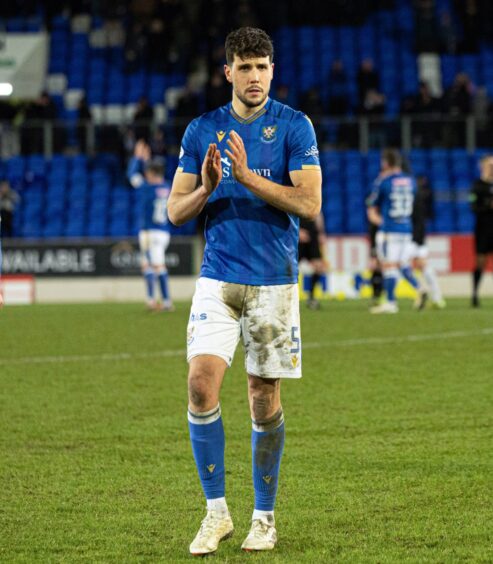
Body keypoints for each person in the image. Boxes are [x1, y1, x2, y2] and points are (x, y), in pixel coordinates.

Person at [167, 27, 321, 555]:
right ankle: (215, 513)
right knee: (199, 387)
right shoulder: (202, 129)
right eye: (244, 67)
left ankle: (264, 517)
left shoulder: (294, 127)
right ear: (227, 71)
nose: (254, 76)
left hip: (273, 283)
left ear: (272, 71)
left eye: (262, 66)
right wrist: (209, 187)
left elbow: (309, 204)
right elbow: (175, 210)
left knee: (262, 399)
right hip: (218, 279)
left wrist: (248, 179)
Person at [366, 148, 427, 314]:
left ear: (385, 162)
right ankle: (419, 288)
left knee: (388, 265)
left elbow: (371, 207)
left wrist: (380, 221)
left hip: (389, 230)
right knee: (402, 264)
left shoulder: (384, 182)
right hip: (406, 229)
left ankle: (391, 302)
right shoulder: (411, 181)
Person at [127, 140, 173, 311]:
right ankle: (152, 300)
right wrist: (147, 161)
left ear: (151, 174)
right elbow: (153, 175)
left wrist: (137, 158)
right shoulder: (167, 186)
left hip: (149, 232)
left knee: (156, 265)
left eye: (147, 172)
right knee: (148, 263)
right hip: (164, 231)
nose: (145, 174)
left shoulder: (147, 188)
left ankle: (164, 301)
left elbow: (131, 176)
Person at [411, 175, 446, 309]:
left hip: (409, 235)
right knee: (422, 265)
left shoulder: (414, 196)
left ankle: (391, 300)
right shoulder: (418, 195)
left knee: (395, 265)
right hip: (418, 234)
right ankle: (436, 297)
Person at [470, 154, 493, 307]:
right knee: (480, 262)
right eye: (490, 165)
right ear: (483, 167)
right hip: (483, 228)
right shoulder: (477, 185)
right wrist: (487, 205)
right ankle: (475, 294)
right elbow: (473, 206)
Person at [298, 214, 327, 309]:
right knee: (288, 269)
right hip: (298, 234)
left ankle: (311, 297)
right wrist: (297, 231)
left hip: (312, 233)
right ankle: (284, 298)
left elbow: (317, 212)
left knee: (319, 267)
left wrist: (321, 232)